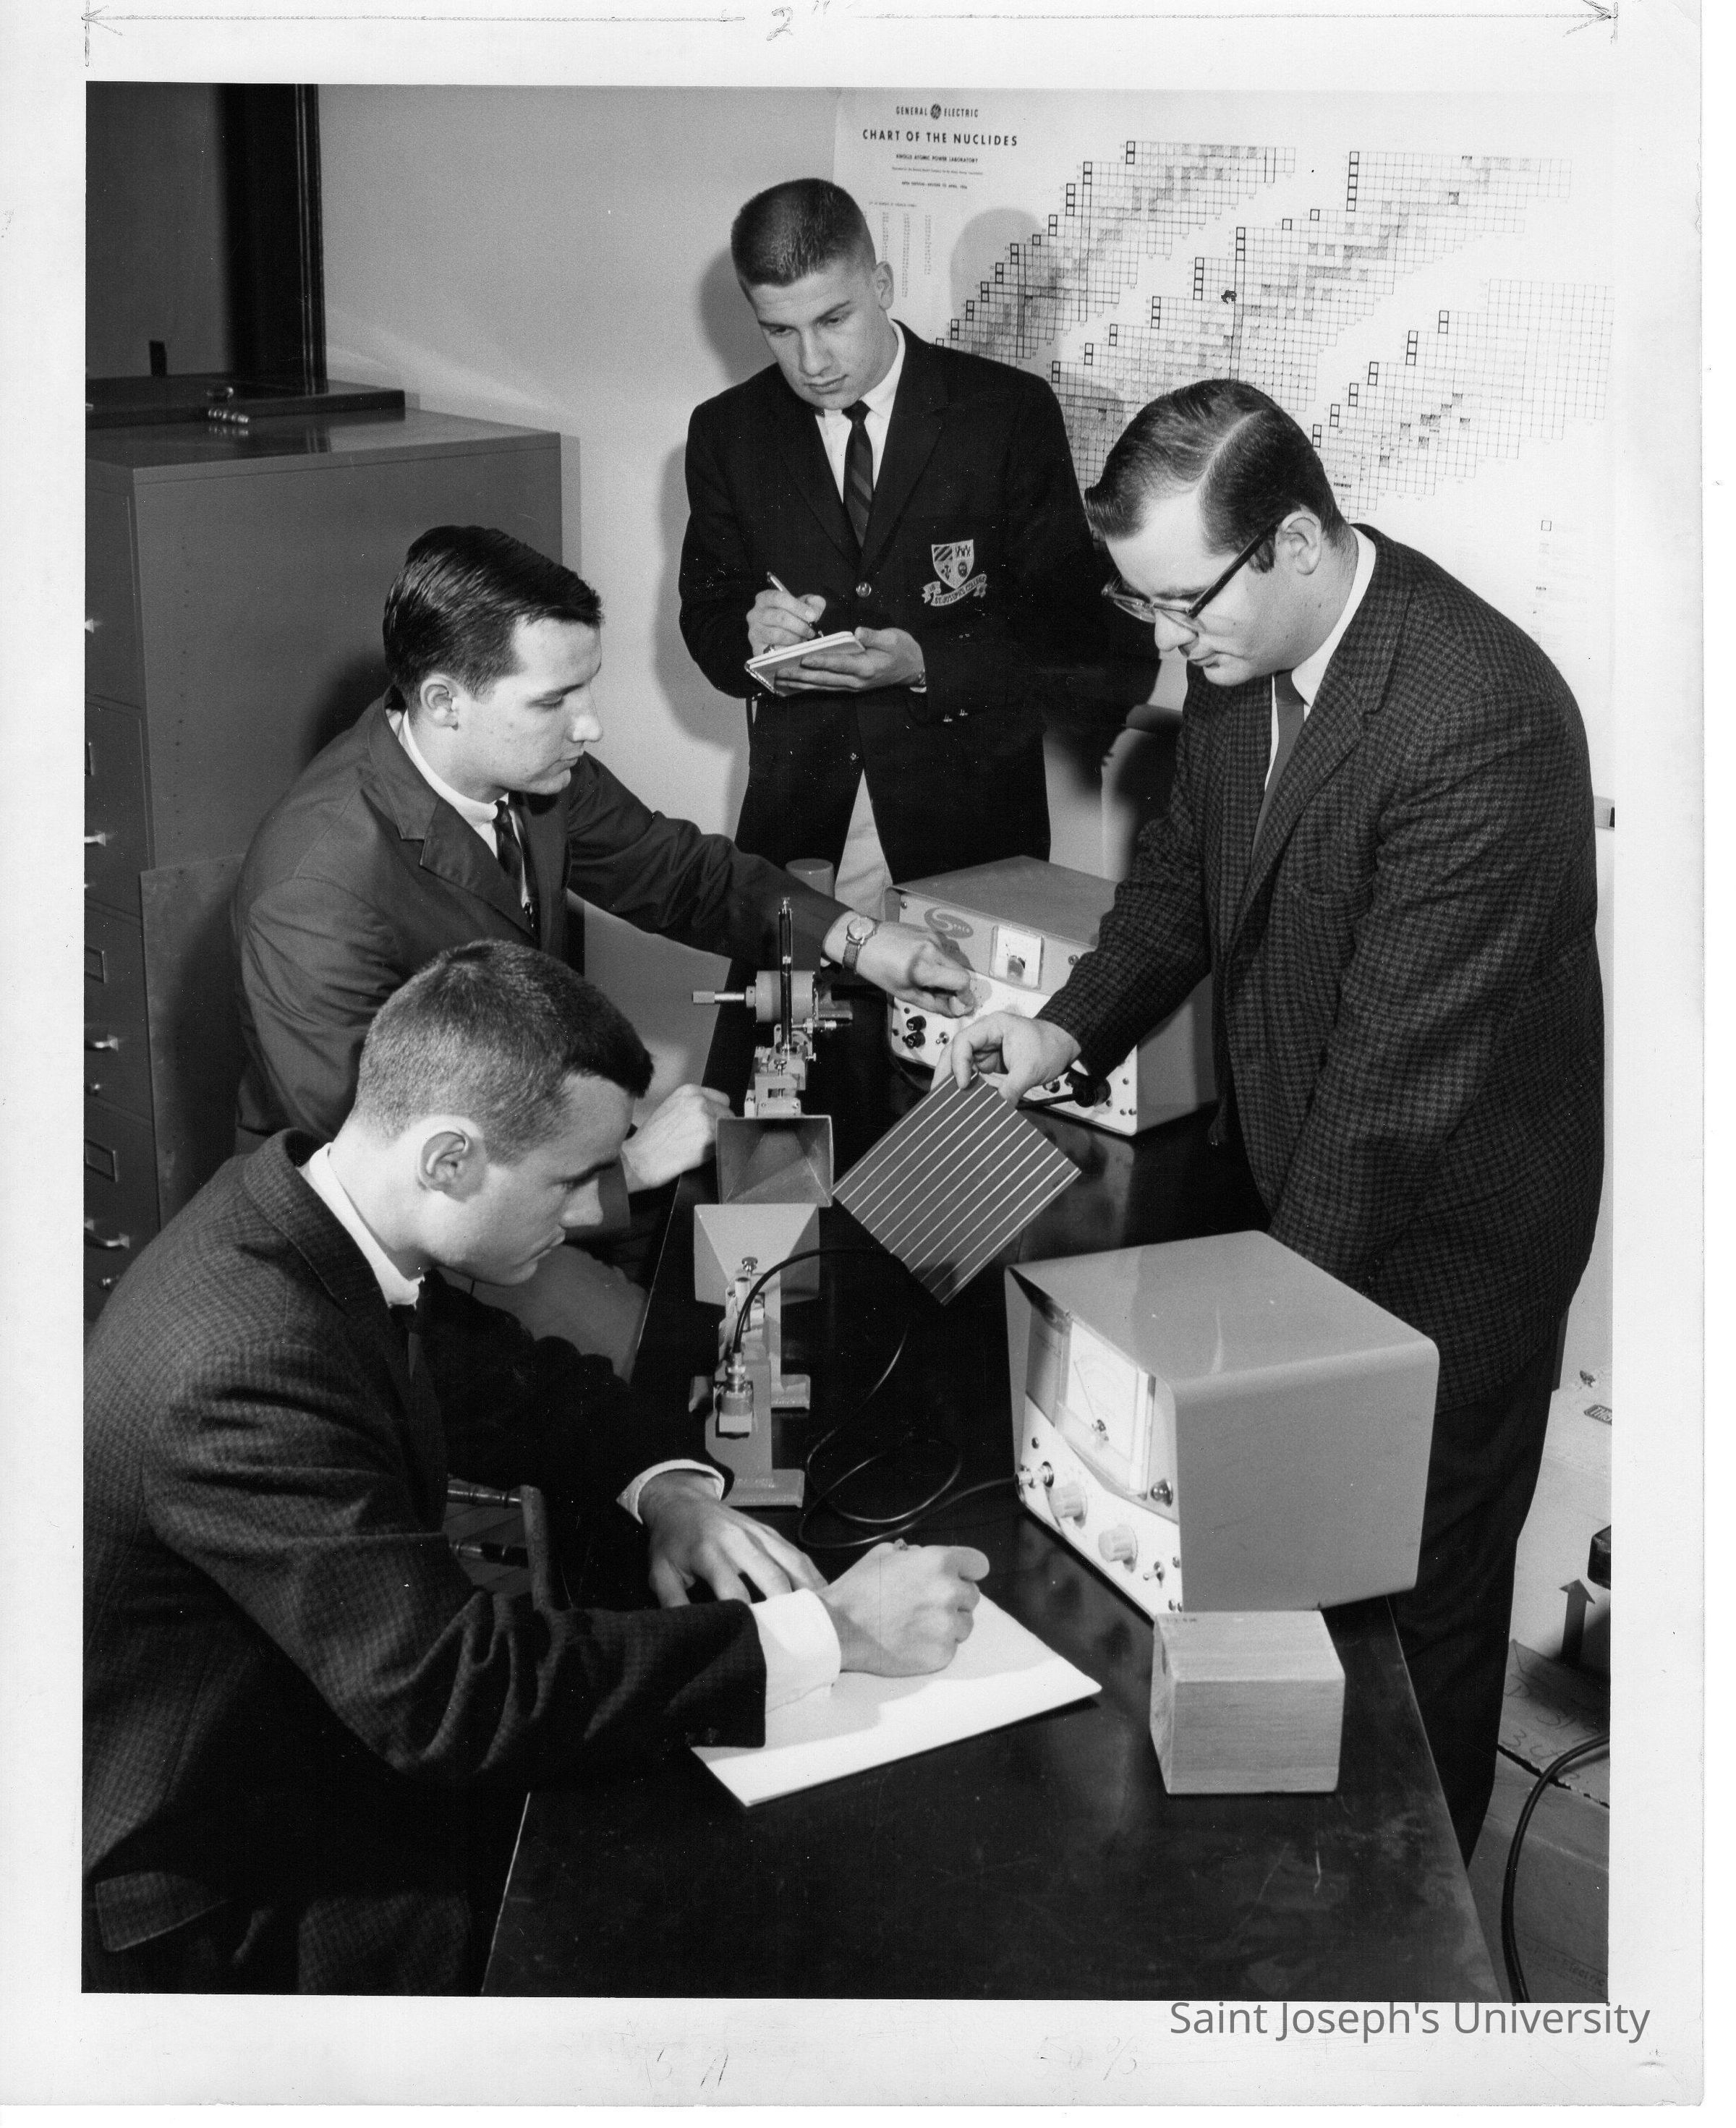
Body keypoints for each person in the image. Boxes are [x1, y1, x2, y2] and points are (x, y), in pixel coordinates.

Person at [950, 379, 1604, 1862]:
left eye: (1184, 604)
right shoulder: (1244, 650)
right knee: (1281, 1573)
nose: (1170, 643)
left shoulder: (1478, 716)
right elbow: (1184, 880)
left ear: (1297, 540)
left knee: (1412, 1608)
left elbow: (1388, 1099)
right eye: (1146, 606)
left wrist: (1234, 1376)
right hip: (1310, 1178)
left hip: (1449, 1246)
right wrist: (1064, 1027)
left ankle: (1413, 1914)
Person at [85, 940, 989, 1994]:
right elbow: (451, 1695)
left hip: (313, 1741)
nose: (587, 1211)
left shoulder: (308, 1218)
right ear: (449, 1159)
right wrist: (831, 1631)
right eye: (569, 1180)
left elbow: (507, 1382)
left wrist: (671, 1490)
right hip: (239, 1887)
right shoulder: (245, 1365)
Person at [234, 523, 973, 1373]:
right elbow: (396, 1187)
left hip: (522, 1150)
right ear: (444, 702)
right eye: (554, 701)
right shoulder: (314, 890)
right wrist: (626, 1166)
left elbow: (681, 873)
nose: (588, 725)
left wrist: (863, 939)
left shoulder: (516, 766)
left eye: (585, 688)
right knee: (678, 1367)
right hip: (389, 1257)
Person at [678, 177, 1112, 916]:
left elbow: (1071, 633)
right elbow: (708, 616)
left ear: (880, 285)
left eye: (834, 319)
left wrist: (926, 665)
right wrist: (750, 638)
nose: (812, 360)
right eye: (779, 331)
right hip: (803, 825)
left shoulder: (1007, 413)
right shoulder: (728, 431)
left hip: (970, 825)